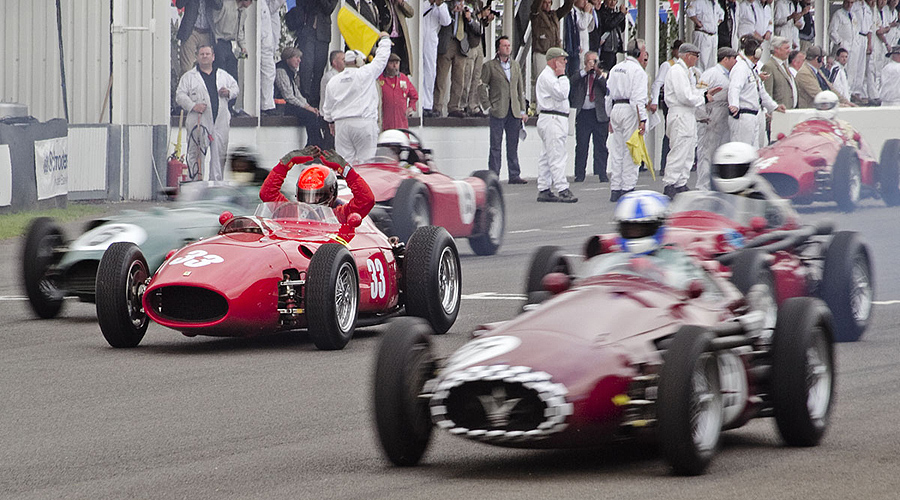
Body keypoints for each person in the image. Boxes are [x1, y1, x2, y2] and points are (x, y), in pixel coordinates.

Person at [662, 43, 722, 199]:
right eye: (695, 56)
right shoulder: (676, 71)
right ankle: (671, 183)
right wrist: (703, 98)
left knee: (689, 149)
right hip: (680, 113)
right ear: (688, 55)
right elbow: (685, 96)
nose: (696, 60)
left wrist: (705, 94)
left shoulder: (687, 72)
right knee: (679, 148)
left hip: (688, 114)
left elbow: (692, 93)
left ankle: (680, 182)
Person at [322, 35, 392, 165]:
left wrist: (331, 122)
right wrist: (385, 40)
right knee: (366, 165)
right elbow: (382, 58)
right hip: (363, 123)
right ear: (359, 61)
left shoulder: (334, 80)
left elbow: (327, 108)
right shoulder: (366, 73)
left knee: (344, 166)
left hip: (341, 125)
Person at [260, 146, 376, 223]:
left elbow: (366, 200)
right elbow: (267, 194)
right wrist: (286, 162)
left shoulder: (339, 216)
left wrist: (345, 170)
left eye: (318, 195)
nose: (310, 201)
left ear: (332, 194)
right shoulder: (292, 212)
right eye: (306, 194)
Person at [175, 44, 240, 182]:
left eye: (207, 54)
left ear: (213, 56)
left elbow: (236, 88)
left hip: (220, 122)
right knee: (196, 155)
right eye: (202, 54)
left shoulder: (223, 75)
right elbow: (180, 96)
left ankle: (216, 188)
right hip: (198, 121)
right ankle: (195, 185)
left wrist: (228, 92)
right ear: (197, 57)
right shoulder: (189, 77)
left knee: (219, 156)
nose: (205, 56)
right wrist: (193, 106)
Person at [710, 141, 797, 227]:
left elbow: (788, 217)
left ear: (750, 167)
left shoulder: (760, 192)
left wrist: (772, 218)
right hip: (718, 233)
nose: (729, 174)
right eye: (724, 170)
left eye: (736, 170)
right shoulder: (712, 194)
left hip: (750, 236)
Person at [605, 38, 649, 203]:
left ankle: (615, 188)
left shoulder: (616, 68)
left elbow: (608, 96)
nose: (645, 55)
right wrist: (642, 119)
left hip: (616, 109)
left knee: (617, 151)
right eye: (644, 52)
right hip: (630, 110)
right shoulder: (638, 72)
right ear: (638, 53)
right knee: (632, 151)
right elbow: (638, 99)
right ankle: (628, 188)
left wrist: (610, 115)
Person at [480, 36, 529, 184]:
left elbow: (520, 89)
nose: (508, 48)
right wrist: (488, 106)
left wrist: (522, 110)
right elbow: (481, 86)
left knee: (512, 144)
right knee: (495, 145)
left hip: (513, 110)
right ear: (498, 48)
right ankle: (494, 175)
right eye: (504, 45)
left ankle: (514, 174)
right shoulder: (489, 66)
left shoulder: (515, 65)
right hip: (498, 109)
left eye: (509, 45)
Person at [535, 47, 577, 203]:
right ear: (553, 61)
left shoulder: (550, 76)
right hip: (553, 118)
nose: (565, 62)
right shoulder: (549, 77)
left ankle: (544, 188)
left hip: (554, 118)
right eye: (562, 60)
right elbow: (562, 94)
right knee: (557, 155)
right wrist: (562, 76)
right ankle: (562, 188)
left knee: (547, 155)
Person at [727, 37, 784, 148]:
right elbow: (734, 87)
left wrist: (774, 107)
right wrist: (733, 104)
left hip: (753, 115)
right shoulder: (741, 68)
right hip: (743, 115)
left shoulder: (752, 69)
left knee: (754, 150)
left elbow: (761, 92)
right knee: (742, 150)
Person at [697, 47, 738, 191]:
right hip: (712, 112)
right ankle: (703, 185)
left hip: (725, 113)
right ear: (725, 59)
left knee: (721, 151)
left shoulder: (732, 75)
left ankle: (717, 184)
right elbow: (699, 91)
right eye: (734, 58)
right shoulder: (710, 74)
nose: (736, 61)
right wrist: (703, 115)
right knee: (708, 151)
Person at [284, 0, 339, 108]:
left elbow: (329, 8)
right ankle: (305, 97)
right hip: (307, 30)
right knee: (306, 66)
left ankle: (315, 101)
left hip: (323, 33)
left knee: (319, 68)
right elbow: (301, 4)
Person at [435, 0, 481, 117]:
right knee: (441, 77)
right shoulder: (447, 3)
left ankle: (454, 107)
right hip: (447, 42)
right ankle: (437, 106)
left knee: (459, 79)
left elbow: (478, 28)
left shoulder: (470, 6)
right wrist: (452, 10)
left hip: (462, 44)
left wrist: (469, 19)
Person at [569, 51, 609, 183]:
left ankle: (602, 173)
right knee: (581, 145)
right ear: (586, 62)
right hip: (583, 114)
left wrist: (597, 74)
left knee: (601, 146)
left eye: (595, 61)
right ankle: (579, 174)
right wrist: (585, 71)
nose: (593, 64)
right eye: (591, 61)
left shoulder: (602, 75)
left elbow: (607, 89)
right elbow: (571, 82)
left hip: (598, 114)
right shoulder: (580, 74)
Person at [275, 47, 326, 147]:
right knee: (310, 116)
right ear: (287, 58)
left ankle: (317, 144)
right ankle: (314, 145)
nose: (299, 60)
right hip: (282, 107)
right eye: (296, 57)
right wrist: (306, 107)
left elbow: (297, 94)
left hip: (290, 105)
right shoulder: (281, 71)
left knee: (315, 114)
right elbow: (288, 96)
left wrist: (308, 106)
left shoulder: (290, 71)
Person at [649, 40, 684, 176]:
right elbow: (658, 83)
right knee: (669, 133)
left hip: (681, 104)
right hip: (670, 103)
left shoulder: (685, 67)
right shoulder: (668, 65)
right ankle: (665, 165)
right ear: (674, 51)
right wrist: (654, 101)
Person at [531, 0, 576, 101]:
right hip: (542, 51)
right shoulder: (536, 15)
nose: (547, 5)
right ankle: (538, 105)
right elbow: (535, 6)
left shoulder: (554, 15)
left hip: (555, 54)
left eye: (549, 3)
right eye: (545, 2)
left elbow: (566, 8)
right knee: (541, 79)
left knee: (555, 80)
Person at [612, 190, 671, 255]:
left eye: (641, 229)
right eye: (629, 229)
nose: (634, 233)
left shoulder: (674, 258)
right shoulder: (614, 260)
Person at [421, 0, 452, 117]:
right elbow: (416, 14)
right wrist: (429, 2)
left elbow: (446, 21)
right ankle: (419, 103)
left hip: (431, 38)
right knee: (418, 69)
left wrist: (439, 5)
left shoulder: (442, 6)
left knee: (430, 71)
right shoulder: (422, 3)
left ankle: (427, 105)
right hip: (418, 35)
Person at [175, 0, 222, 77]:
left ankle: (203, 88)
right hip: (191, 31)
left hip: (206, 32)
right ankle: (185, 88)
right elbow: (179, 4)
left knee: (206, 67)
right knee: (186, 68)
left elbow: (219, 5)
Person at [831, 1, 863, 104]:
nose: (849, 5)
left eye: (852, 3)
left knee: (853, 70)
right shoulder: (838, 14)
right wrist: (840, 42)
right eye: (848, 2)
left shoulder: (853, 15)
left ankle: (850, 94)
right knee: (842, 72)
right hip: (843, 47)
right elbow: (832, 31)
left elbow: (856, 30)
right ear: (844, 2)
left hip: (854, 47)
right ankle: (844, 97)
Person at [211, 0, 252, 82]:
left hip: (231, 44)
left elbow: (239, 31)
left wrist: (243, 46)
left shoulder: (243, 13)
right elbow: (214, 20)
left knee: (233, 73)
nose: (250, 3)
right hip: (220, 40)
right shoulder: (226, 5)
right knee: (221, 70)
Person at [378, 53, 419, 130]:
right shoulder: (380, 80)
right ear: (386, 64)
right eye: (391, 63)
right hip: (386, 123)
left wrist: (411, 107)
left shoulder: (404, 78)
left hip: (401, 123)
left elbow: (414, 95)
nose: (394, 66)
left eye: (396, 63)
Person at [259, 0, 286, 115]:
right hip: (260, 45)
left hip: (267, 47)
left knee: (269, 72)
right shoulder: (259, 5)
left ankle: (267, 104)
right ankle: (265, 105)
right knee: (266, 72)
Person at [376, 0, 416, 75]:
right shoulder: (382, 3)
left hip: (400, 39)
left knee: (401, 64)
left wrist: (401, 3)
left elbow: (411, 13)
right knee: (389, 65)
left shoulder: (398, 3)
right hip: (388, 39)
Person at [687, 0, 725, 71]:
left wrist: (716, 23)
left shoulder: (715, 3)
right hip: (703, 34)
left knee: (712, 62)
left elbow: (722, 14)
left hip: (713, 35)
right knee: (702, 62)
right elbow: (690, 12)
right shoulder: (698, 2)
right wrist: (697, 23)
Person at [761, 36, 798, 108]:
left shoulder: (784, 66)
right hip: (778, 114)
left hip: (789, 112)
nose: (789, 51)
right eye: (786, 48)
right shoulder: (769, 67)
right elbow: (767, 92)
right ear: (776, 49)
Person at [564, 0, 596, 76]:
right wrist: (586, 13)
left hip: (585, 45)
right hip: (579, 46)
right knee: (579, 70)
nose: (585, 2)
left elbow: (590, 28)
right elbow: (582, 25)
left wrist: (589, 14)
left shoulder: (581, 12)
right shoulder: (575, 12)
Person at [596, 0, 626, 71]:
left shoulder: (615, 12)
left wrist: (622, 15)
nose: (612, 3)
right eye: (610, 0)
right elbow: (609, 25)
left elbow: (622, 28)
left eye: (615, 0)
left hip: (613, 48)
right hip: (605, 48)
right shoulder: (602, 10)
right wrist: (621, 15)